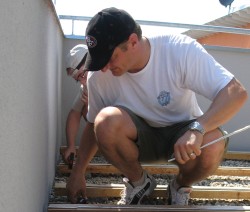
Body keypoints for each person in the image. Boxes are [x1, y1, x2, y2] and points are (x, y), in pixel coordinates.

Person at [66, 7, 248, 205]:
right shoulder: (99, 76)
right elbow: (93, 127)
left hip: (183, 139)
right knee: (104, 121)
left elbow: (236, 92)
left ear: (133, 42)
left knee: (213, 143)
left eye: (109, 58)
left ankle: (180, 185)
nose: (104, 67)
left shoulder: (178, 50)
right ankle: (139, 182)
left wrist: (198, 128)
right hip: (136, 141)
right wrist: (78, 173)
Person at [63, 44, 88, 164]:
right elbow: (74, 113)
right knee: (84, 109)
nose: (82, 82)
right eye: (78, 79)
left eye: (82, 75)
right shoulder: (86, 87)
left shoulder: (112, 72)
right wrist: (71, 146)